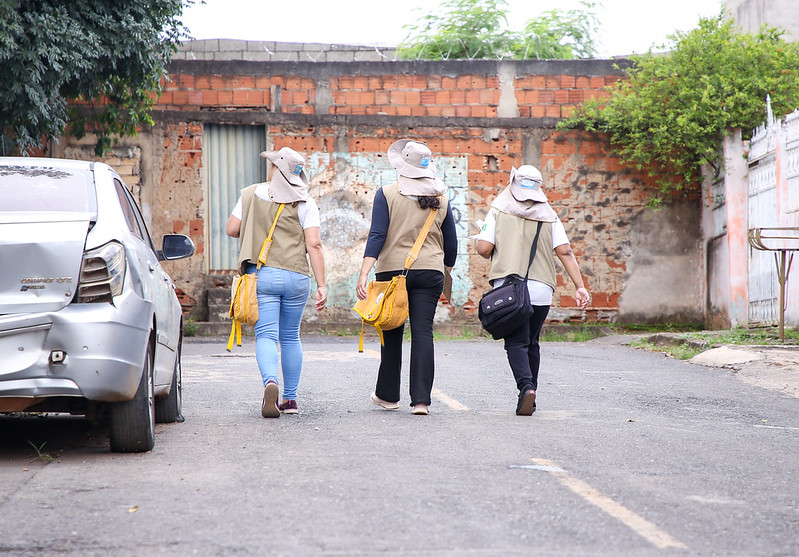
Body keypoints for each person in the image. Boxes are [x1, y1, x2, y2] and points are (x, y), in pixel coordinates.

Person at [475, 165, 589, 415]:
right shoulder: (550, 215)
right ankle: (532, 395)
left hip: (509, 290)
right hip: (541, 290)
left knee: (516, 341)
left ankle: (526, 388)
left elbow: (483, 249)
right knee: (532, 341)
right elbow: (565, 252)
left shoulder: (498, 209)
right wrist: (580, 287)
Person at [356, 139, 458, 415]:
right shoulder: (442, 199)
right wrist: (445, 269)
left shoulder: (386, 194)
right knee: (423, 332)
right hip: (430, 271)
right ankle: (421, 401)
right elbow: (452, 245)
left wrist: (365, 271)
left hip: (392, 272)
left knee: (391, 331)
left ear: (402, 167)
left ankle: (388, 396)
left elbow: (377, 235)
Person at [226, 147, 326, 418]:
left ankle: (271, 382)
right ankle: (290, 400)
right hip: (296, 276)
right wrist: (322, 285)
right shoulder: (306, 201)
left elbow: (232, 229)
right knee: (291, 336)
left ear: (275, 169)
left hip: (263, 275)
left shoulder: (251, 194)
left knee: (266, 335)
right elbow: (314, 244)